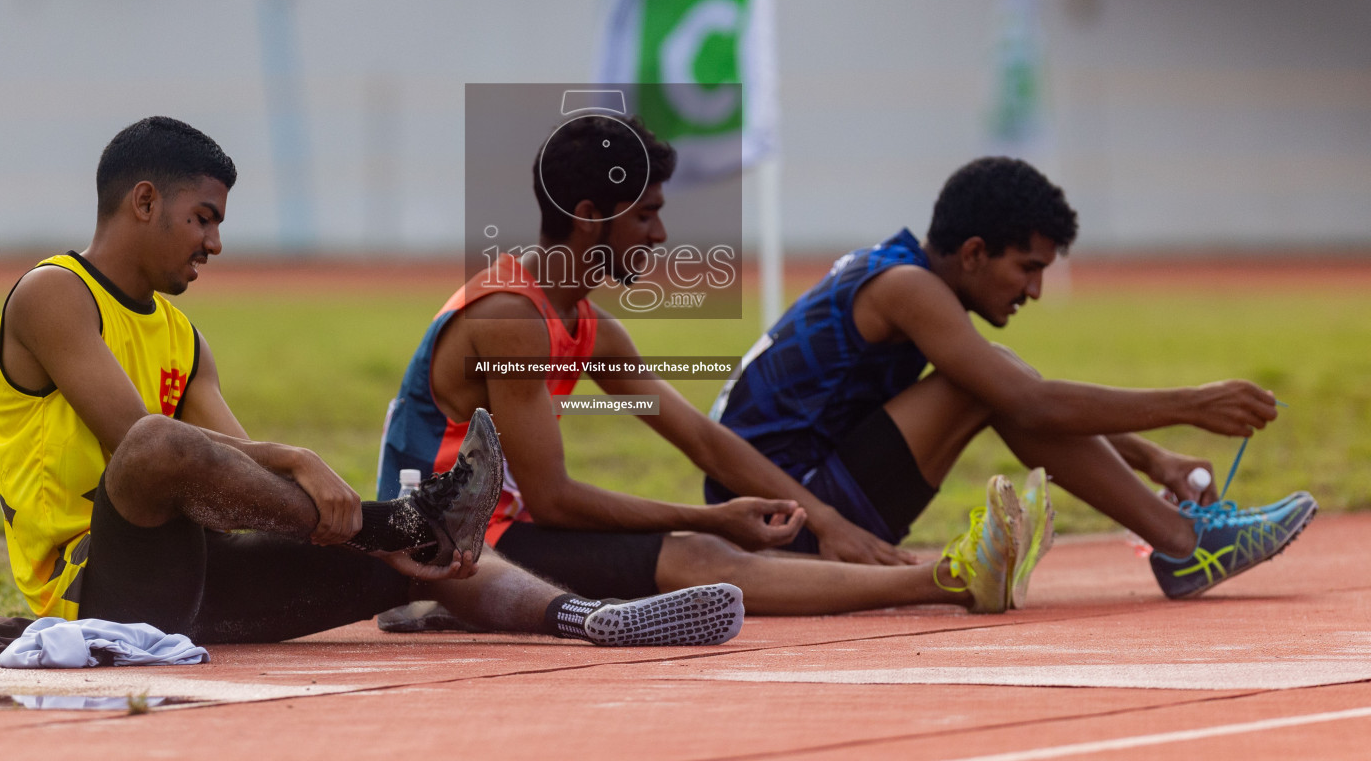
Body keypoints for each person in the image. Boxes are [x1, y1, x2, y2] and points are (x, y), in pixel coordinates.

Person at [0, 115, 746, 649]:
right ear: (144, 200)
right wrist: (295, 458)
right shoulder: (56, 293)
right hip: (92, 594)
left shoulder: (185, 336)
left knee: (426, 554)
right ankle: (400, 520)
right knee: (158, 443)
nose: (216, 242)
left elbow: (237, 487)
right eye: (203, 218)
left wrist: (320, 506)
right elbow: (138, 446)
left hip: (194, 586)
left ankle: (587, 618)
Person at [378, 114, 1050, 618]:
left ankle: (949, 576)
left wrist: (824, 521)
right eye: (646, 216)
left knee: (712, 550)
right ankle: (951, 580)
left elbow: (700, 438)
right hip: (444, 540)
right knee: (700, 555)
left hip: (494, 530)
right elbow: (552, 498)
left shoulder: (584, 324)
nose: (660, 236)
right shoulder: (511, 321)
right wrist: (710, 518)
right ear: (588, 217)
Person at [708, 155, 1317, 600]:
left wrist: (1154, 459)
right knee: (991, 383)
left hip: (806, 498)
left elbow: (1022, 395)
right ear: (973, 253)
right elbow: (1030, 404)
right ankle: (1185, 545)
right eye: (1027, 268)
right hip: (789, 525)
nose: (1035, 290)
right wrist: (1189, 402)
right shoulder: (905, 287)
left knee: (993, 370)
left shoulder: (902, 270)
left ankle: (1182, 542)